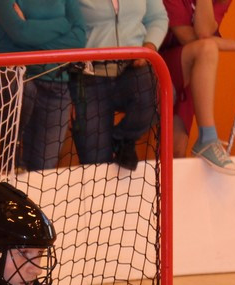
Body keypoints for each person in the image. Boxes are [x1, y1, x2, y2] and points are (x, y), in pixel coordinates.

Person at [159, 0, 235, 175]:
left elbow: (204, 31)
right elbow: (188, 38)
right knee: (207, 49)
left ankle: (205, 142)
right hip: (160, 64)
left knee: (177, 150)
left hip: (191, 70)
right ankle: (208, 138)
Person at [70, 0, 170, 170]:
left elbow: (158, 18)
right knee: (95, 163)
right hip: (88, 74)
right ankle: (112, 144)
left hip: (132, 67)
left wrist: (148, 47)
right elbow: (65, 22)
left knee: (158, 96)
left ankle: (122, 139)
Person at [0, 1, 87, 171]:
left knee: (44, 171)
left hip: (57, 87)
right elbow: (20, 33)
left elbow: (78, 38)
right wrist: (64, 23)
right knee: (14, 170)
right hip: (18, 85)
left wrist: (29, 33)